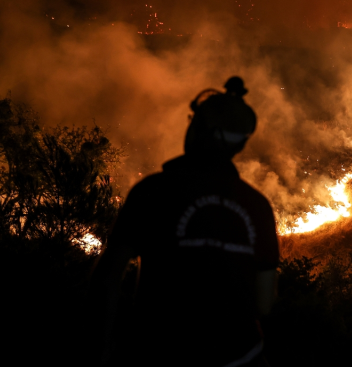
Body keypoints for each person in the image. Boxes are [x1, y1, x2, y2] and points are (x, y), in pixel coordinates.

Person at [89, 76, 280, 366]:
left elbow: (107, 279)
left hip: (160, 357)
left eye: (193, 120)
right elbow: (264, 305)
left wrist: (101, 349)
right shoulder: (258, 206)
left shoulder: (152, 191)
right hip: (240, 361)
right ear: (239, 146)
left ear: (199, 131)